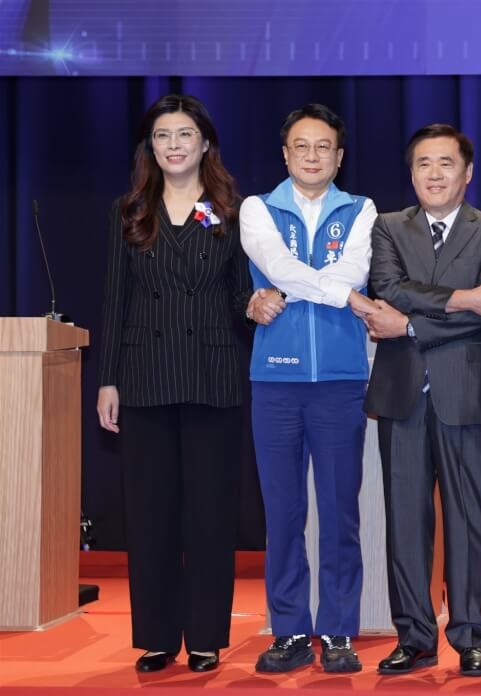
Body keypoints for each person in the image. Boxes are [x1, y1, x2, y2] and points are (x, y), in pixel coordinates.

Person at [362, 124, 481, 677]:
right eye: (423, 164)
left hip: (468, 389)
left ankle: (473, 635)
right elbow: (390, 288)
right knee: (405, 520)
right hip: (401, 392)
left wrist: (410, 326)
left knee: (471, 519)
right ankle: (414, 636)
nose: (434, 174)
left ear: (467, 172)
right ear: (411, 173)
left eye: (446, 163)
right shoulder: (387, 227)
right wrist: (461, 299)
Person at [97, 94, 250, 673]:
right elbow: (115, 299)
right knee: (151, 513)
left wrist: (260, 304)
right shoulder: (131, 210)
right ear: (150, 147)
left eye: (184, 134)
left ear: (205, 143)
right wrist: (107, 380)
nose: (174, 145)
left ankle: (206, 635)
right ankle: (158, 635)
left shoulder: (228, 211)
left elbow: (239, 292)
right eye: (162, 136)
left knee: (210, 513)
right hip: (145, 375)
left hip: (212, 374)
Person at [240, 103, 378, 674]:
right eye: (302, 146)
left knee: (341, 511)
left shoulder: (362, 209)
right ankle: (291, 629)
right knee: (283, 512)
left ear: (339, 157)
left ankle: (339, 630)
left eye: (324, 147)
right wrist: (340, 294)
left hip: (341, 380)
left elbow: (353, 271)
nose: (313, 156)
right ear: (285, 154)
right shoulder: (257, 208)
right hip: (276, 380)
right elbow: (275, 264)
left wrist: (304, 287)